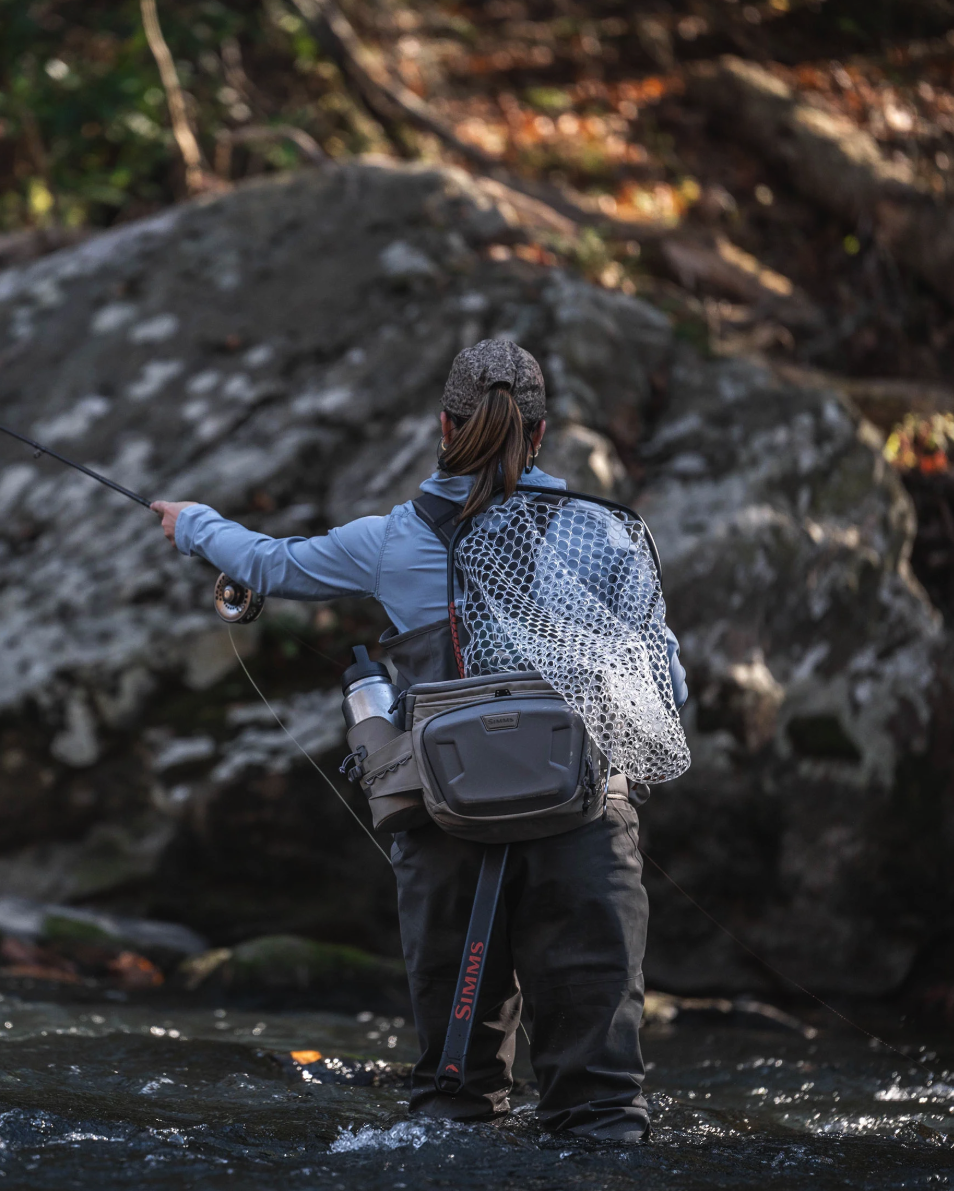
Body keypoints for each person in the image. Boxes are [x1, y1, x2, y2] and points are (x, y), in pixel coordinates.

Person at [152, 338, 688, 1144]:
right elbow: (668, 690)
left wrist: (191, 522)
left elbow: (266, 563)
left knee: (455, 1107)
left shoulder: (393, 539)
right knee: (603, 1114)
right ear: (541, 435)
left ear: (444, 425)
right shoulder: (609, 537)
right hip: (582, 829)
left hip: (446, 828)